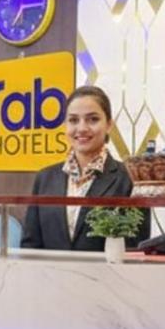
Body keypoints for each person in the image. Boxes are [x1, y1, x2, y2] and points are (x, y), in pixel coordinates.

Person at [21, 85, 150, 251]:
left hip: (108, 269)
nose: (82, 128)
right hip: (50, 269)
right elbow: (30, 245)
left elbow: (136, 249)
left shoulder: (130, 179)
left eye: (93, 119)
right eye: (73, 120)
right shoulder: (45, 178)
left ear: (109, 125)